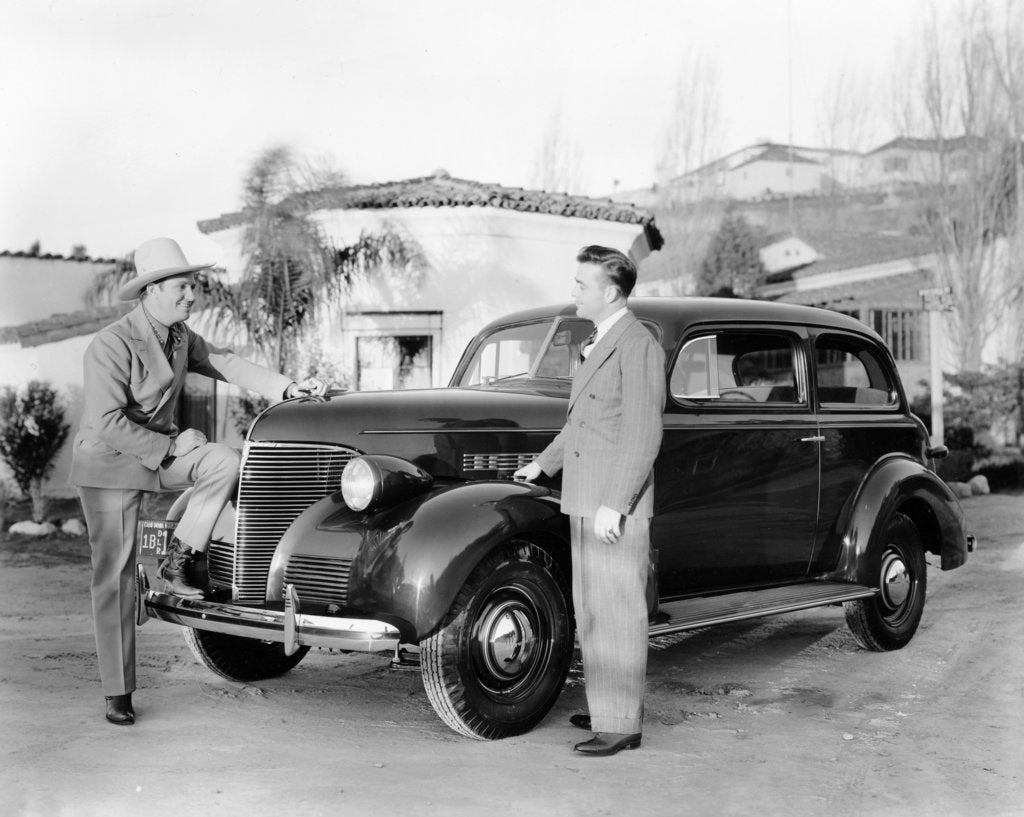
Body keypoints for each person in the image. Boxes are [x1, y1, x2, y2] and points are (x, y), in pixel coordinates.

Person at [70, 236, 326, 727]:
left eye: (193, 287)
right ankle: (117, 691)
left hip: (163, 452)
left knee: (225, 460)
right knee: (116, 576)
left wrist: (287, 387)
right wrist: (170, 446)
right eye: (183, 287)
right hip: (110, 462)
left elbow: (227, 362)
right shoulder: (110, 343)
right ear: (152, 291)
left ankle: (180, 554)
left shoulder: (182, 335)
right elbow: (105, 420)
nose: (192, 296)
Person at [514, 245, 665, 757]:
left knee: (618, 611)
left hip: (610, 504)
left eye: (582, 284)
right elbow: (583, 421)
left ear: (611, 292)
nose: (573, 292)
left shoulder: (637, 343)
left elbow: (644, 433)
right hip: (585, 495)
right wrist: (543, 464)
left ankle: (621, 726)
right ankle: (609, 708)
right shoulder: (601, 339)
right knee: (593, 610)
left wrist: (616, 503)